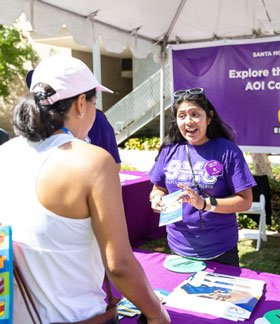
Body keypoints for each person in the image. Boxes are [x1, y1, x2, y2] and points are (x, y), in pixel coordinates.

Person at [0, 55, 170, 323]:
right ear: (81, 103)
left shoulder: (5, 153)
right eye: (94, 102)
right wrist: (156, 313)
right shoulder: (92, 161)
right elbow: (120, 265)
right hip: (77, 316)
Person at [149, 87, 256, 267]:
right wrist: (156, 198)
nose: (188, 121)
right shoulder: (169, 150)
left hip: (219, 250)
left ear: (209, 117)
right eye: (181, 116)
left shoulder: (227, 151)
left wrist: (205, 204)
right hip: (178, 247)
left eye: (195, 114)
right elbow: (158, 187)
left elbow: (245, 201)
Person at [27, 69, 121, 167]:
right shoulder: (91, 159)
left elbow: (114, 164)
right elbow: (113, 168)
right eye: (94, 102)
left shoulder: (14, 149)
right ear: (81, 103)